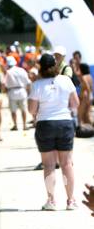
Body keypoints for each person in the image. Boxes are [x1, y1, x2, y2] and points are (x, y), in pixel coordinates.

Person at [28, 53, 79, 210]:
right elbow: (75, 103)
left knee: (49, 165)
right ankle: (70, 201)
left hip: (45, 124)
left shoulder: (37, 85)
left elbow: (32, 110)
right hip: (64, 122)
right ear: (56, 65)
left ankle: (51, 201)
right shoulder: (66, 80)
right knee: (67, 164)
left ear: (40, 68)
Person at [4, 56, 31, 131]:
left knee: (13, 110)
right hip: (22, 91)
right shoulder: (22, 70)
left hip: (12, 92)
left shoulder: (8, 72)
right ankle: (24, 125)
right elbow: (28, 82)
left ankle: (15, 125)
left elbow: (5, 84)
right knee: (23, 109)